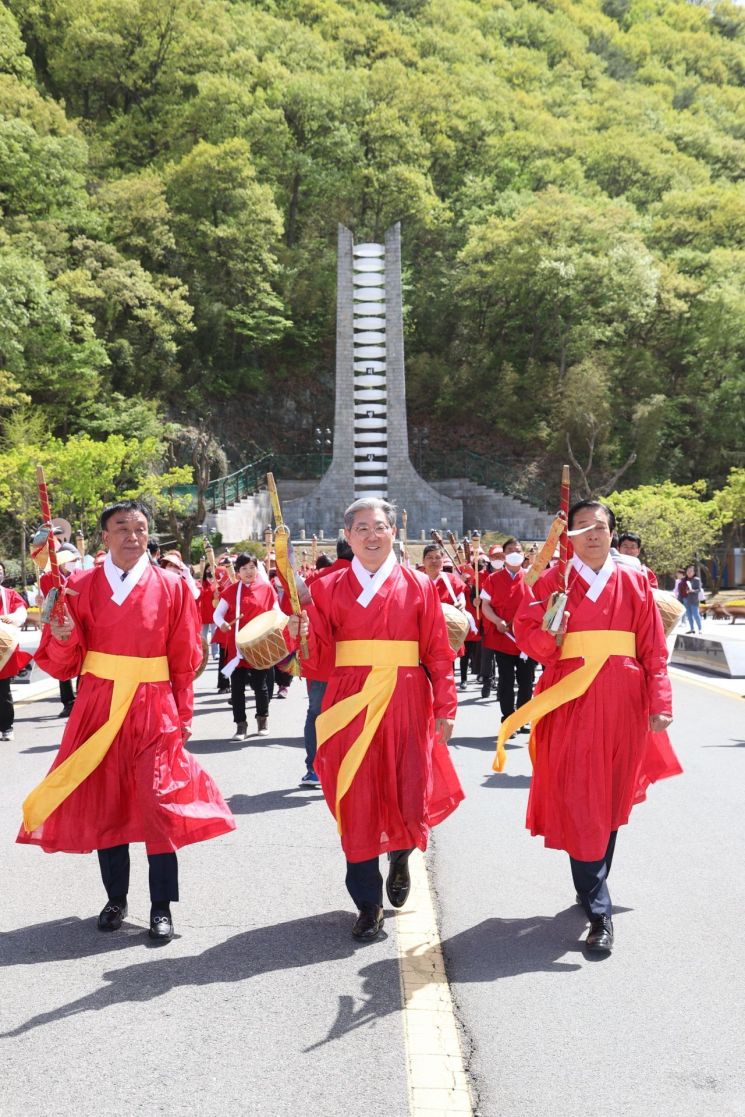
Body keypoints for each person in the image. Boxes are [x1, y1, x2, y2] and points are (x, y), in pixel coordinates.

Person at [17, 500, 235, 942]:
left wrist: (184, 714)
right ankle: (116, 898)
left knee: (160, 805)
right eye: (122, 528)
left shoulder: (172, 586)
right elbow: (65, 662)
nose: (132, 536)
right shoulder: (78, 586)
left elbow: (185, 658)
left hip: (154, 707)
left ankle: (161, 906)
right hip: (99, 705)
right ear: (105, 537)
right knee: (108, 803)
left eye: (139, 528)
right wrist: (59, 636)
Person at [500, 500, 680, 954]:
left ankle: (591, 882)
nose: (592, 534)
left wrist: (660, 701)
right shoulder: (553, 580)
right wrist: (551, 636)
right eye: (581, 528)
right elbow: (528, 633)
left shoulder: (636, 579)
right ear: (569, 537)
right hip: (572, 699)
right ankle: (599, 909)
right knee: (583, 796)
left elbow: (653, 648)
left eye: (600, 527)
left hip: (624, 700)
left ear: (611, 533)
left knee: (611, 795)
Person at [288, 497, 463, 941]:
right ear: (346, 537)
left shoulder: (419, 585)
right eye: (361, 528)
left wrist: (446, 706)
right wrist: (301, 630)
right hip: (349, 700)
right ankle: (367, 903)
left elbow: (438, 653)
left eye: (379, 527)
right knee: (356, 796)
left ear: (393, 533)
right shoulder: (326, 588)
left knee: (406, 786)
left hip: (406, 699)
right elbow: (317, 662)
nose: (371, 535)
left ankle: (401, 853)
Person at [214, 553, 279, 740]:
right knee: (237, 688)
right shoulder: (232, 591)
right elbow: (217, 615)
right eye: (244, 568)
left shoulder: (266, 589)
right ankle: (240, 725)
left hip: (260, 645)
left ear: (257, 569)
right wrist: (222, 624)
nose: (249, 572)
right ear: (238, 572)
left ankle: (262, 719)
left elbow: (276, 612)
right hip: (238, 647)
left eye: (252, 567)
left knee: (261, 685)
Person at [479, 538, 537, 727]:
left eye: (518, 550)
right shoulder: (493, 579)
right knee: (506, 679)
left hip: (527, 639)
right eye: (510, 550)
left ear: (523, 555)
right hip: (503, 637)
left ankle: (523, 716)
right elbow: (485, 605)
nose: (514, 553)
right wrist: (497, 621)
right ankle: (508, 718)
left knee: (527, 680)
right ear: (504, 555)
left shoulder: (531, 577)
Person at [39, 541, 82, 718]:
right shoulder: (47, 578)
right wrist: (43, 604)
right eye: (70, 559)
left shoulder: (82, 576)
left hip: (78, 623)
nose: (73, 562)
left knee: (82, 661)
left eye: (75, 559)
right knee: (61, 662)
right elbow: (46, 604)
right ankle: (67, 702)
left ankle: (81, 698)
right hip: (57, 624)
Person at [0, 562, 31, 742]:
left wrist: (10, 618)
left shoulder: (10, 594)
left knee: (3, 691)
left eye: (1, 572)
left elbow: (21, 613)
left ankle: (6, 727)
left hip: (3, 647)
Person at [678, 564, 703, 634]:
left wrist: (693, 591)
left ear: (694, 572)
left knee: (696, 614)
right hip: (685, 599)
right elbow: (680, 591)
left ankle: (700, 629)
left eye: (691, 571)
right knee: (688, 615)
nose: (689, 572)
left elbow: (699, 590)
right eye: (688, 571)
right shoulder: (683, 580)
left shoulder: (696, 580)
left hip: (693, 600)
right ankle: (692, 629)